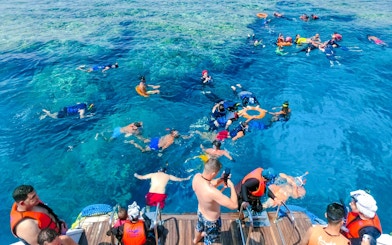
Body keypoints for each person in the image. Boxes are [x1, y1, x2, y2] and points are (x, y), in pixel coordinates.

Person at [10, 185, 76, 245]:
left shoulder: (31, 203)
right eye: (33, 197)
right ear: (22, 203)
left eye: (35, 194)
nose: (38, 197)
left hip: (57, 234)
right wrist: (62, 234)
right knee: (66, 239)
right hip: (56, 241)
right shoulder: (27, 226)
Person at [192, 158, 238, 244]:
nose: (217, 174)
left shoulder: (196, 177)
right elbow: (234, 205)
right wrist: (232, 186)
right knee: (210, 240)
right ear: (213, 173)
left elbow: (208, 184)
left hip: (200, 212)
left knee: (199, 227)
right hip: (211, 221)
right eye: (217, 173)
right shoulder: (213, 192)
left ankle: (195, 240)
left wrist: (221, 179)